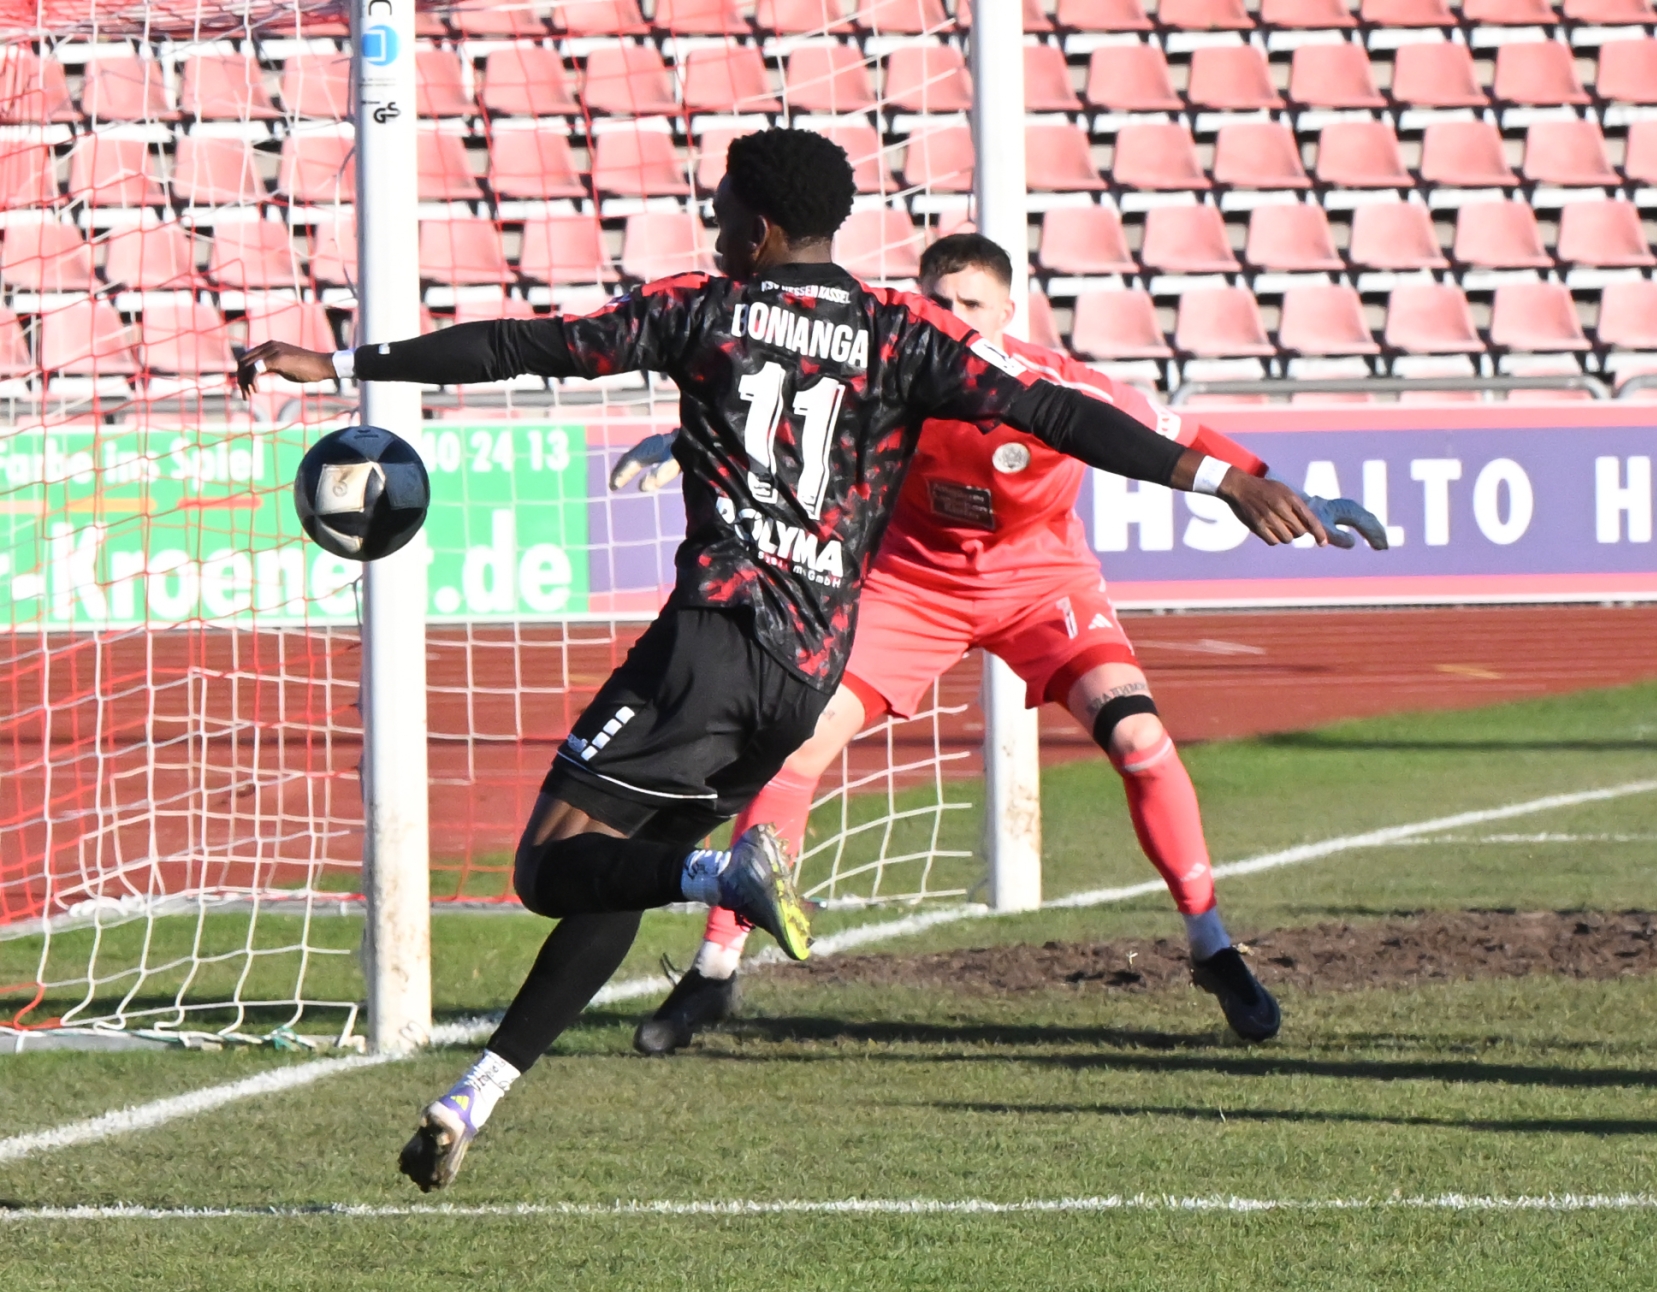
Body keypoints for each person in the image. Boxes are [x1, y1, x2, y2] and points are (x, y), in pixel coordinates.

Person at [237, 128, 1337, 1192]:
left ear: (757, 230)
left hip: (711, 641)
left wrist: (343, 362)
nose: (714, 226)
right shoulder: (901, 333)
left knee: (549, 870)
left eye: (722, 211)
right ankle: (478, 1091)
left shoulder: (701, 308)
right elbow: (1059, 410)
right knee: (629, 862)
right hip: (806, 668)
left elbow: (522, 348)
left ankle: (720, 881)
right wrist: (1223, 482)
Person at [625, 233, 1387, 1056]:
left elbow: (1188, 437)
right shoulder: (885, 372)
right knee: (792, 748)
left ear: (1007, 313)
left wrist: (1285, 491)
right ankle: (715, 968)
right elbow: (774, 408)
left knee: (1140, 738)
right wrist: (684, 442)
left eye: (971, 304)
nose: (952, 316)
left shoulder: (1062, 386)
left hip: (1042, 585)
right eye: (938, 301)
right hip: (911, 585)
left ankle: (1212, 947)